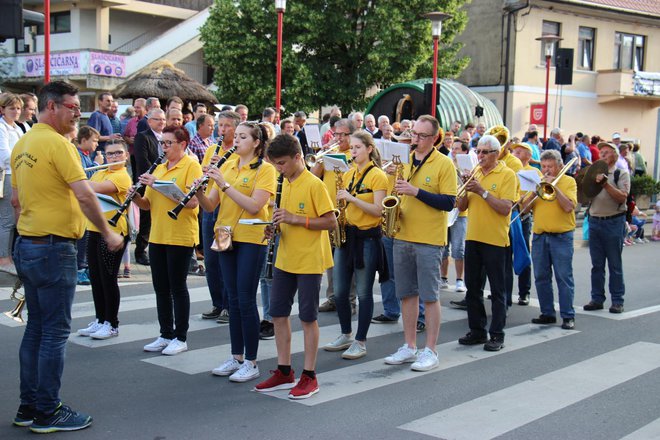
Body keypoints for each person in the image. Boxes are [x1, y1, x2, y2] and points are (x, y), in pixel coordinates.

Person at [11, 80, 123, 432]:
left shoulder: (23, 143)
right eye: (72, 106)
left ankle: (29, 406)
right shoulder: (59, 145)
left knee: (37, 329)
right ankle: (47, 410)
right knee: (55, 333)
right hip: (53, 247)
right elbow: (86, 196)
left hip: (30, 242)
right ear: (51, 107)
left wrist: (27, 233)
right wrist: (107, 232)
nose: (78, 112)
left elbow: (16, 201)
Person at [254, 134, 336, 400]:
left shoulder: (314, 184)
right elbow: (285, 218)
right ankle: (284, 369)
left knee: (307, 318)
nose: (279, 168)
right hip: (285, 257)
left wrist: (295, 219)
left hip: (310, 260)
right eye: (276, 164)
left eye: (282, 163)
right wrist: (273, 227)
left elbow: (330, 222)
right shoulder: (284, 182)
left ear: (298, 157)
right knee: (277, 314)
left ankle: (309, 376)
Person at [196, 122, 276, 382]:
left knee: (245, 298)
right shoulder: (226, 166)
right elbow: (210, 206)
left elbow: (255, 206)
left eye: (243, 137)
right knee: (232, 299)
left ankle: (251, 361)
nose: (237, 140)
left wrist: (225, 184)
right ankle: (236, 356)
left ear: (256, 143)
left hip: (251, 238)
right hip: (224, 234)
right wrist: (197, 189)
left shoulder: (265, 170)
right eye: (236, 136)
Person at [384, 115, 456, 371]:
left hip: (429, 239)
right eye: (414, 133)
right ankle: (409, 345)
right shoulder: (403, 160)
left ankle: (431, 350)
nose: (415, 139)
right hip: (403, 234)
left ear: (434, 138)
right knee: (406, 295)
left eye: (422, 135)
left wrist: (416, 192)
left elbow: (449, 202)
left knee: (430, 296)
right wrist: (391, 178)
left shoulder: (444, 163)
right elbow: (395, 195)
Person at [131, 125, 203, 354]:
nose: (164, 147)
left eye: (168, 143)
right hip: (158, 233)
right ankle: (165, 334)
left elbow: (192, 202)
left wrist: (158, 185)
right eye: (162, 143)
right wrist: (135, 197)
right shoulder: (160, 168)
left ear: (182, 144)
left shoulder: (191, 165)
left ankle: (180, 337)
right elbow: (148, 204)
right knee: (160, 287)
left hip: (180, 234)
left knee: (177, 286)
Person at [323, 131, 388, 360]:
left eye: (358, 147)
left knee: (363, 293)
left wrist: (351, 199)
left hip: (367, 238)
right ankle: (345, 334)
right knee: (339, 293)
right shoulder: (349, 173)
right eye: (351, 148)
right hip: (346, 236)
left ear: (369, 149)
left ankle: (360, 341)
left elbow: (379, 211)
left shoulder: (378, 176)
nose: (353, 151)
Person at [457, 135, 517, 351]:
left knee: (498, 291)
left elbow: (505, 208)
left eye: (484, 152)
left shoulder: (507, 175)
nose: (479, 156)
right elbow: (462, 206)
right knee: (472, 289)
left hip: (495, 240)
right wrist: (465, 187)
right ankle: (477, 330)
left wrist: (482, 191)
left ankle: (497, 334)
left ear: (496, 153)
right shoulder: (474, 173)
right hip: (473, 237)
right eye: (478, 151)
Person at [76, 141, 132, 339]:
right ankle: (100, 319)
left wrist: (75, 177)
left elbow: (96, 188)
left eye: (118, 153)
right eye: (110, 154)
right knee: (96, 278)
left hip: (114, 232)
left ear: (126, 155)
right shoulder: (101, 171)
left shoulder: (122, 176)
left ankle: (112, 323)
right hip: (94, 229)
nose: (114, 157)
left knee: (108, 279)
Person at [521, 150, 577, 329]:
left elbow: (569, 207)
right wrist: (532, 194)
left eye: (550, 167)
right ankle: (547, 313)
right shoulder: (538, 183)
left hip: (561, 236)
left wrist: (554, 186)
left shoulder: (569, 181)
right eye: (543, 167)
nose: (546, 171)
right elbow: (524, 210)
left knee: (563, 277)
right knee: (541, 277)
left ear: (559, 166)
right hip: (540, 235)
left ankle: (568, 315)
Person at [199, 111, 240, 324]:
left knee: (225, 256)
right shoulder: (211, 150)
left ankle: (228, 304)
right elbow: (206, 176)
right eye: (220, 125)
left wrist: (221, 168)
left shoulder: (239, 152)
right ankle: (217, 302)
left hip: (227, 207)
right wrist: (207, 170)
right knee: (211, 258)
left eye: (227, 126)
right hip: (210, 204)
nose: (222, 130)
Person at [584, 141, 629, 314]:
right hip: (595, 221)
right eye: (601, 151)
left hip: (613, 221)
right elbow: (584, 197)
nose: (602, 154)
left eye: (606, 152)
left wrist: (605, 183)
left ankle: (617, 300)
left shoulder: (620, 173)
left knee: (615, 264)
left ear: (615, 156)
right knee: (597, 265)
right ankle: (597, 298)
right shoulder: (594, 173)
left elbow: (621, 198)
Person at [133, 108, 166, 266]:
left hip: (163, 181)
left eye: (163, 120)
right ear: (149, 121)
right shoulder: (143, 136)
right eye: (158, 119)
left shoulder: (166, 138)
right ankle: (140, 250)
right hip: (147, 181)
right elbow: (142, 161)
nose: (162, 122)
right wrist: (153, 178)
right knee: (146, 218)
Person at [510, 142, 542, 305]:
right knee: (505, 255)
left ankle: (524, 292)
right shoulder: (509, 169)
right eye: (514, 151)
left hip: (523, 216)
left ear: (529, 156)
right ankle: (505, 290)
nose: (515, 153)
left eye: (520, 152)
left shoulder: (533, 171)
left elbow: (538, 194)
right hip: (509, 214)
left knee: (522, 252)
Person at [442, 139, 469, 293]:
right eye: (453, 148)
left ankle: (459, 280)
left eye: (458, 149)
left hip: (460, 212)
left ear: (465, 151)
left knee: (459, 249)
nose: (454, 151)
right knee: (444, 247)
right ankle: (443, 278)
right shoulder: (448, 164)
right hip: (447, 210)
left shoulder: (467, 168)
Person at [0, 93, 24, 270]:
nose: (16, 112)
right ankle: (3, 258)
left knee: (17, 216)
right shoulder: (2, 128)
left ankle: (10, 256)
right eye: (12, 108)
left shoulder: (17, 128)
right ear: (2, 109)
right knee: (7, 219)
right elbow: (4, 156)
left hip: (19, 173)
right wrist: (24, 161)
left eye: (18, 108)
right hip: (7, 174)